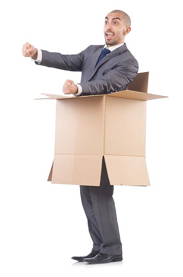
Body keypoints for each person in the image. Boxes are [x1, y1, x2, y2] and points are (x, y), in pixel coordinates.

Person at [22, 9, 139, 264]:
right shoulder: (92, 51)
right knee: (86, 191)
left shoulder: (129, 62)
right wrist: (37, 54)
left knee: (100, 191)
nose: (108, 26)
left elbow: (109, 84)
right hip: (87, 131)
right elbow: (67, 61)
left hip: (108, 134)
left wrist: (79, 89)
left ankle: (112, 249)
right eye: (106, 21)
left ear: (126, 30)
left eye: (115, 22)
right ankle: (99, 246)